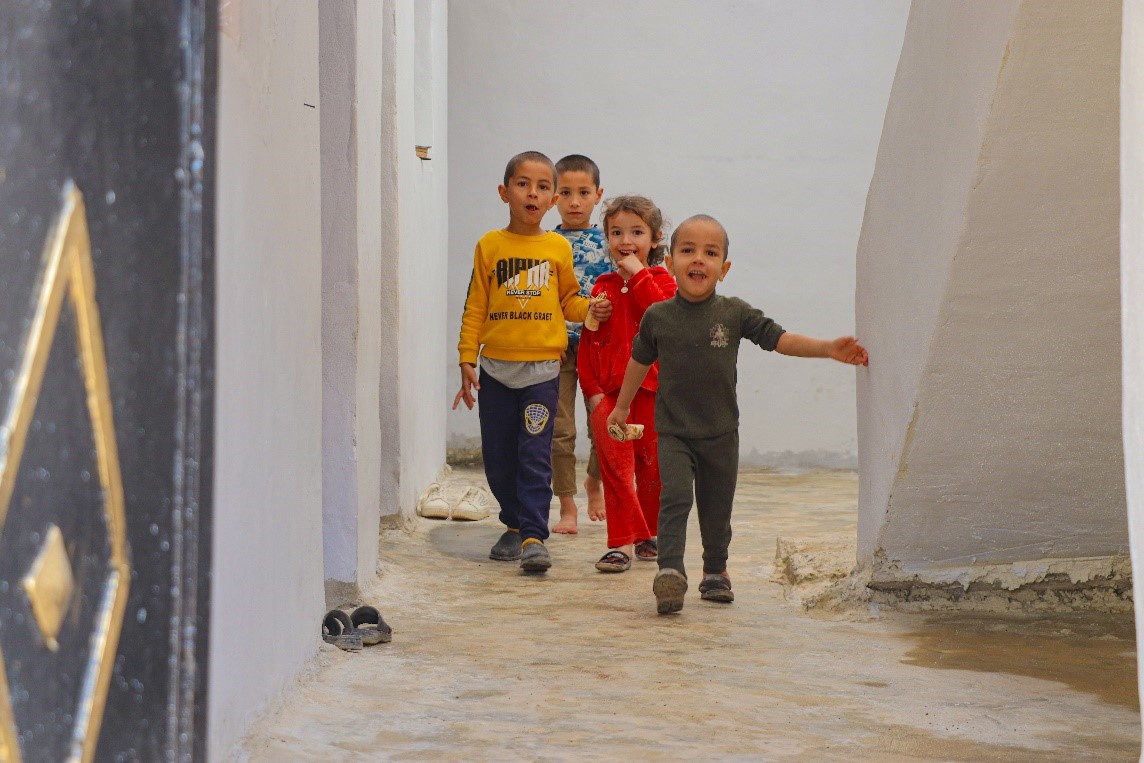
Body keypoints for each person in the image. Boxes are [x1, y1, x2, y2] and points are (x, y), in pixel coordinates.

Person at [606, 214, 868, 613]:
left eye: (710, 253)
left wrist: (827, 348)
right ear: (672, 261)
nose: (698, 260)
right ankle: (670, 573)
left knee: (716, 506)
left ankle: (715, 572)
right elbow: (638, 362)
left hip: (721, 432)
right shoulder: (658, 317)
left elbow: (779, 339)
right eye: (688, 250)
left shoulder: (734, 313)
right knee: (674, 499)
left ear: (723, 269)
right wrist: (621, 407)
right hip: (673, 431)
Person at [453, 150, 611, 573]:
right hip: (496, 371)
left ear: (552, 197)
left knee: (535, 454)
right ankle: (512, 522)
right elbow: (475, 305)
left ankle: (533, 536)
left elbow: (569, 301)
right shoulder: (490, 245)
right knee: (499, 457)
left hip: (543, 371)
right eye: (524, 184)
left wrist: (590, 310)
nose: (533, 193)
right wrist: (467, 358)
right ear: (505, 192)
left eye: (543, 187)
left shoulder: (557, 246)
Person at [578, 195, 676, 573]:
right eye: (616, 232)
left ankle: (647, 534)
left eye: (637, 232)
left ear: (655, 238)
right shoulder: (602, 286)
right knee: (616, 470)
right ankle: (620, 543)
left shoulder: (665, 283)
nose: (626, 240)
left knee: (651, 470)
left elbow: (661, 319)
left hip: (654, 393)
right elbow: (590, 343)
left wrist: (639, 275)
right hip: (610, 396)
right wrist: (592, 393)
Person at [550, 154, 611, 534]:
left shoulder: (609, 242)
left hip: (598, 346)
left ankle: (595, 482)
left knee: (603, 424)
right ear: (554, 196)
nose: (574, 202)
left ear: (598, 195)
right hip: (557, 348)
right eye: (566, 192)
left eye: (583, 192)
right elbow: (542, 297)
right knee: (560, 428)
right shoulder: (546, 243)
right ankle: (567, 503)